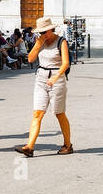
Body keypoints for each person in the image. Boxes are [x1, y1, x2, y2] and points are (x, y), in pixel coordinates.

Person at [15, 16, 73, 156]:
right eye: (40, 33)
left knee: (59, 113)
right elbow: (30, 59)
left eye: (45, 32)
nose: (43, 35)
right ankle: (29, 146)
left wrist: (56, 77)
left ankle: (68, 144)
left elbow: (66, 63)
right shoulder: (39, 41)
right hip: (41, 78)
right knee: (37, 113)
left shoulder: (61, 41)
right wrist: (38, 44)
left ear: (51, 30)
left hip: (56, 78)